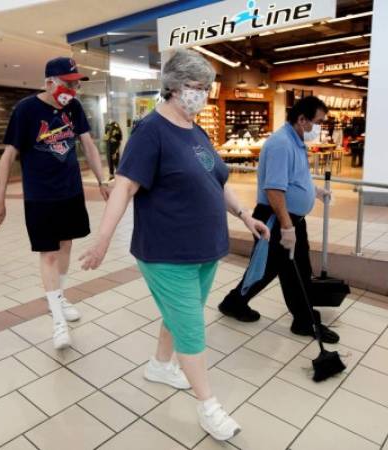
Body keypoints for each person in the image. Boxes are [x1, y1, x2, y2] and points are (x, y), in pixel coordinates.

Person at [79, 49, 269, 442]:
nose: (201, 96)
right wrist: (102, 241)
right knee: (191, 328)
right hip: (167, 253)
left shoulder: (195, 129)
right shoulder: (150, 132)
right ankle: (209, 406)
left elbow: (217, 182)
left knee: (181, 313)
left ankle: (160, 365)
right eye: (196, 88)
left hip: (203, 250)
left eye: (206, 89)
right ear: (174, 88)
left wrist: (245, 216)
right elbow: (125, 187)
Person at [0, 57, 109, 350]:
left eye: (75, 84)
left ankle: (60, 296)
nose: (73, 90)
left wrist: (102, 180)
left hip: (70, 192)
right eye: (68, 83)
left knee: (66, 245)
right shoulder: (26, 110)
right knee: (49, 255)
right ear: (50, 83)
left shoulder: (74, 108)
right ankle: (57, 319)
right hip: (40, 196)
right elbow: (8, 156)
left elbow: (88, 145)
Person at [218, 96, 340, 344]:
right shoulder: (281, 144)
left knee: (293, 269)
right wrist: (287, 227)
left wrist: (316, 192)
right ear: (301, 119)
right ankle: (239, 303)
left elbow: (295, 177)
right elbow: (274, 190)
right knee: (269, 268)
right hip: (277, 218)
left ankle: (301, 318)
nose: (319, 128)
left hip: (289, 218)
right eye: (317, 122)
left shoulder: (296, 142)